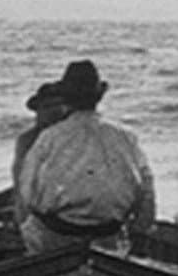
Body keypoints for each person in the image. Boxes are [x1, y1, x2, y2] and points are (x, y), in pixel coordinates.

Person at [16, 60, 157, 254]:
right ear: (97, 98)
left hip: (56, 238)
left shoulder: (49, 138)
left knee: (30, 227)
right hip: (108, 237)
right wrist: (139, 232)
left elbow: (28, 195)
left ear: (67, 100)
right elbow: (146, 192)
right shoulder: (125, 138)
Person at [11, 81, 71, 226]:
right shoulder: (27, 140)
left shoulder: (71, 136)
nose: (52, 112)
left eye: (57, 106)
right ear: (38, 111)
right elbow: (21, 183)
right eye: (47, 107)